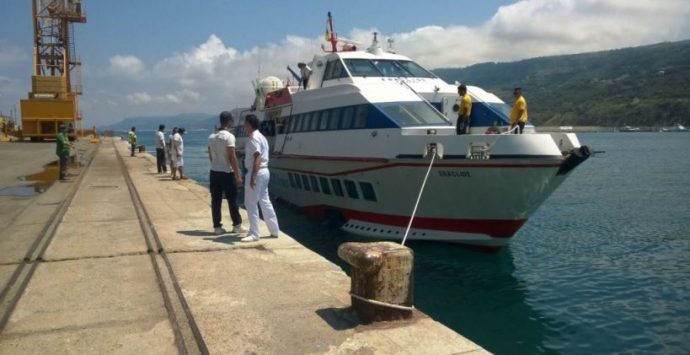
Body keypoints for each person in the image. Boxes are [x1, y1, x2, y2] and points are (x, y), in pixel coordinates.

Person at [242, 114, 279, 242]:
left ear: (249, 124)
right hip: (265, 171)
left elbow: (257, 156)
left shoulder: (253, 138)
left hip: (256, 171)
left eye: (245, 124)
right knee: (265, 200)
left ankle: (254, 233)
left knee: (250, 203)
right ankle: (274, 230)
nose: (244, 126)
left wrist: (253, 176)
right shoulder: (262, 137)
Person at [208, 112, 245, 235]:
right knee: (232, 199)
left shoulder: (211, 137)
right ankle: (237, 225)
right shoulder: (229, 137)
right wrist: (237, 174)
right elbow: (232, 157)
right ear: (229, 121)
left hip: (214, 171)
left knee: (216, 200)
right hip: (226, 172)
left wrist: (215, 164)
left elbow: (210, 155)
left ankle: (217, 227)